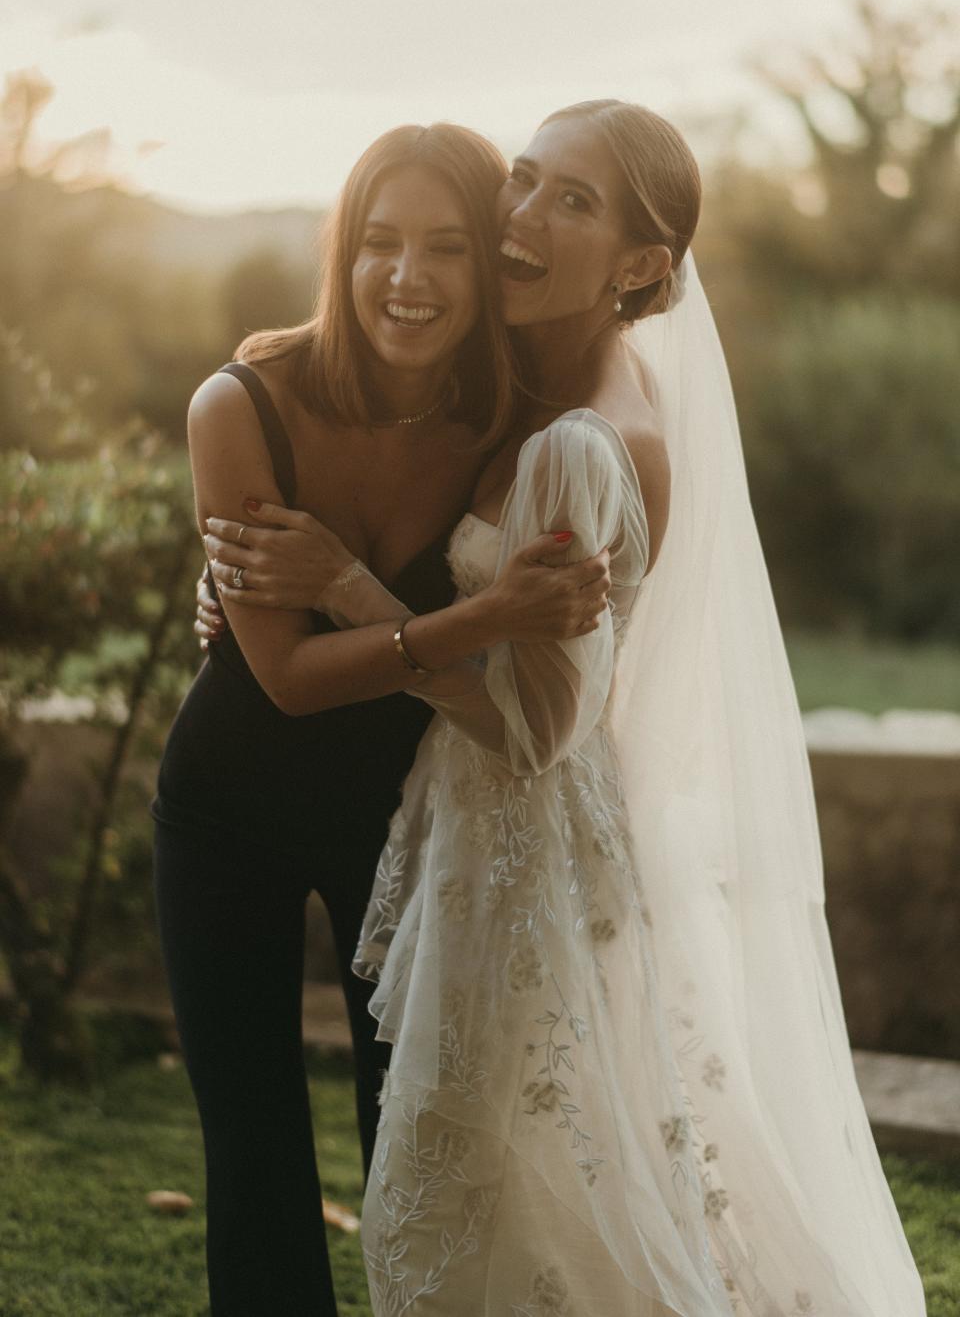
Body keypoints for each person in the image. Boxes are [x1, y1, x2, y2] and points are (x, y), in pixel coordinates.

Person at [202, 100, 926, 1315]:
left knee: (494, 1205)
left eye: (571, 202)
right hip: (449, 832)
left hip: (512, 845)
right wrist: (238, 593)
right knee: (487, 1197)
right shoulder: (512, 388)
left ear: (645, 265)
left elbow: (538, 731)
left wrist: (341, 587)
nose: (523, 218)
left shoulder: (585, 445)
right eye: (525, 182)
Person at [152, 122, 610, 1317]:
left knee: (407, 1135)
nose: (408, 278)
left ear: (485, 268)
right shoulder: (241, 401)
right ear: (341, 252)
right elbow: (288, 680)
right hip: (225, 813)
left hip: (402, 819)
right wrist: (488, 612)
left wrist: (368, 591)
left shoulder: (511, 428)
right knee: (252, 1149)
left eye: (447, 248)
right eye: (381, 243)